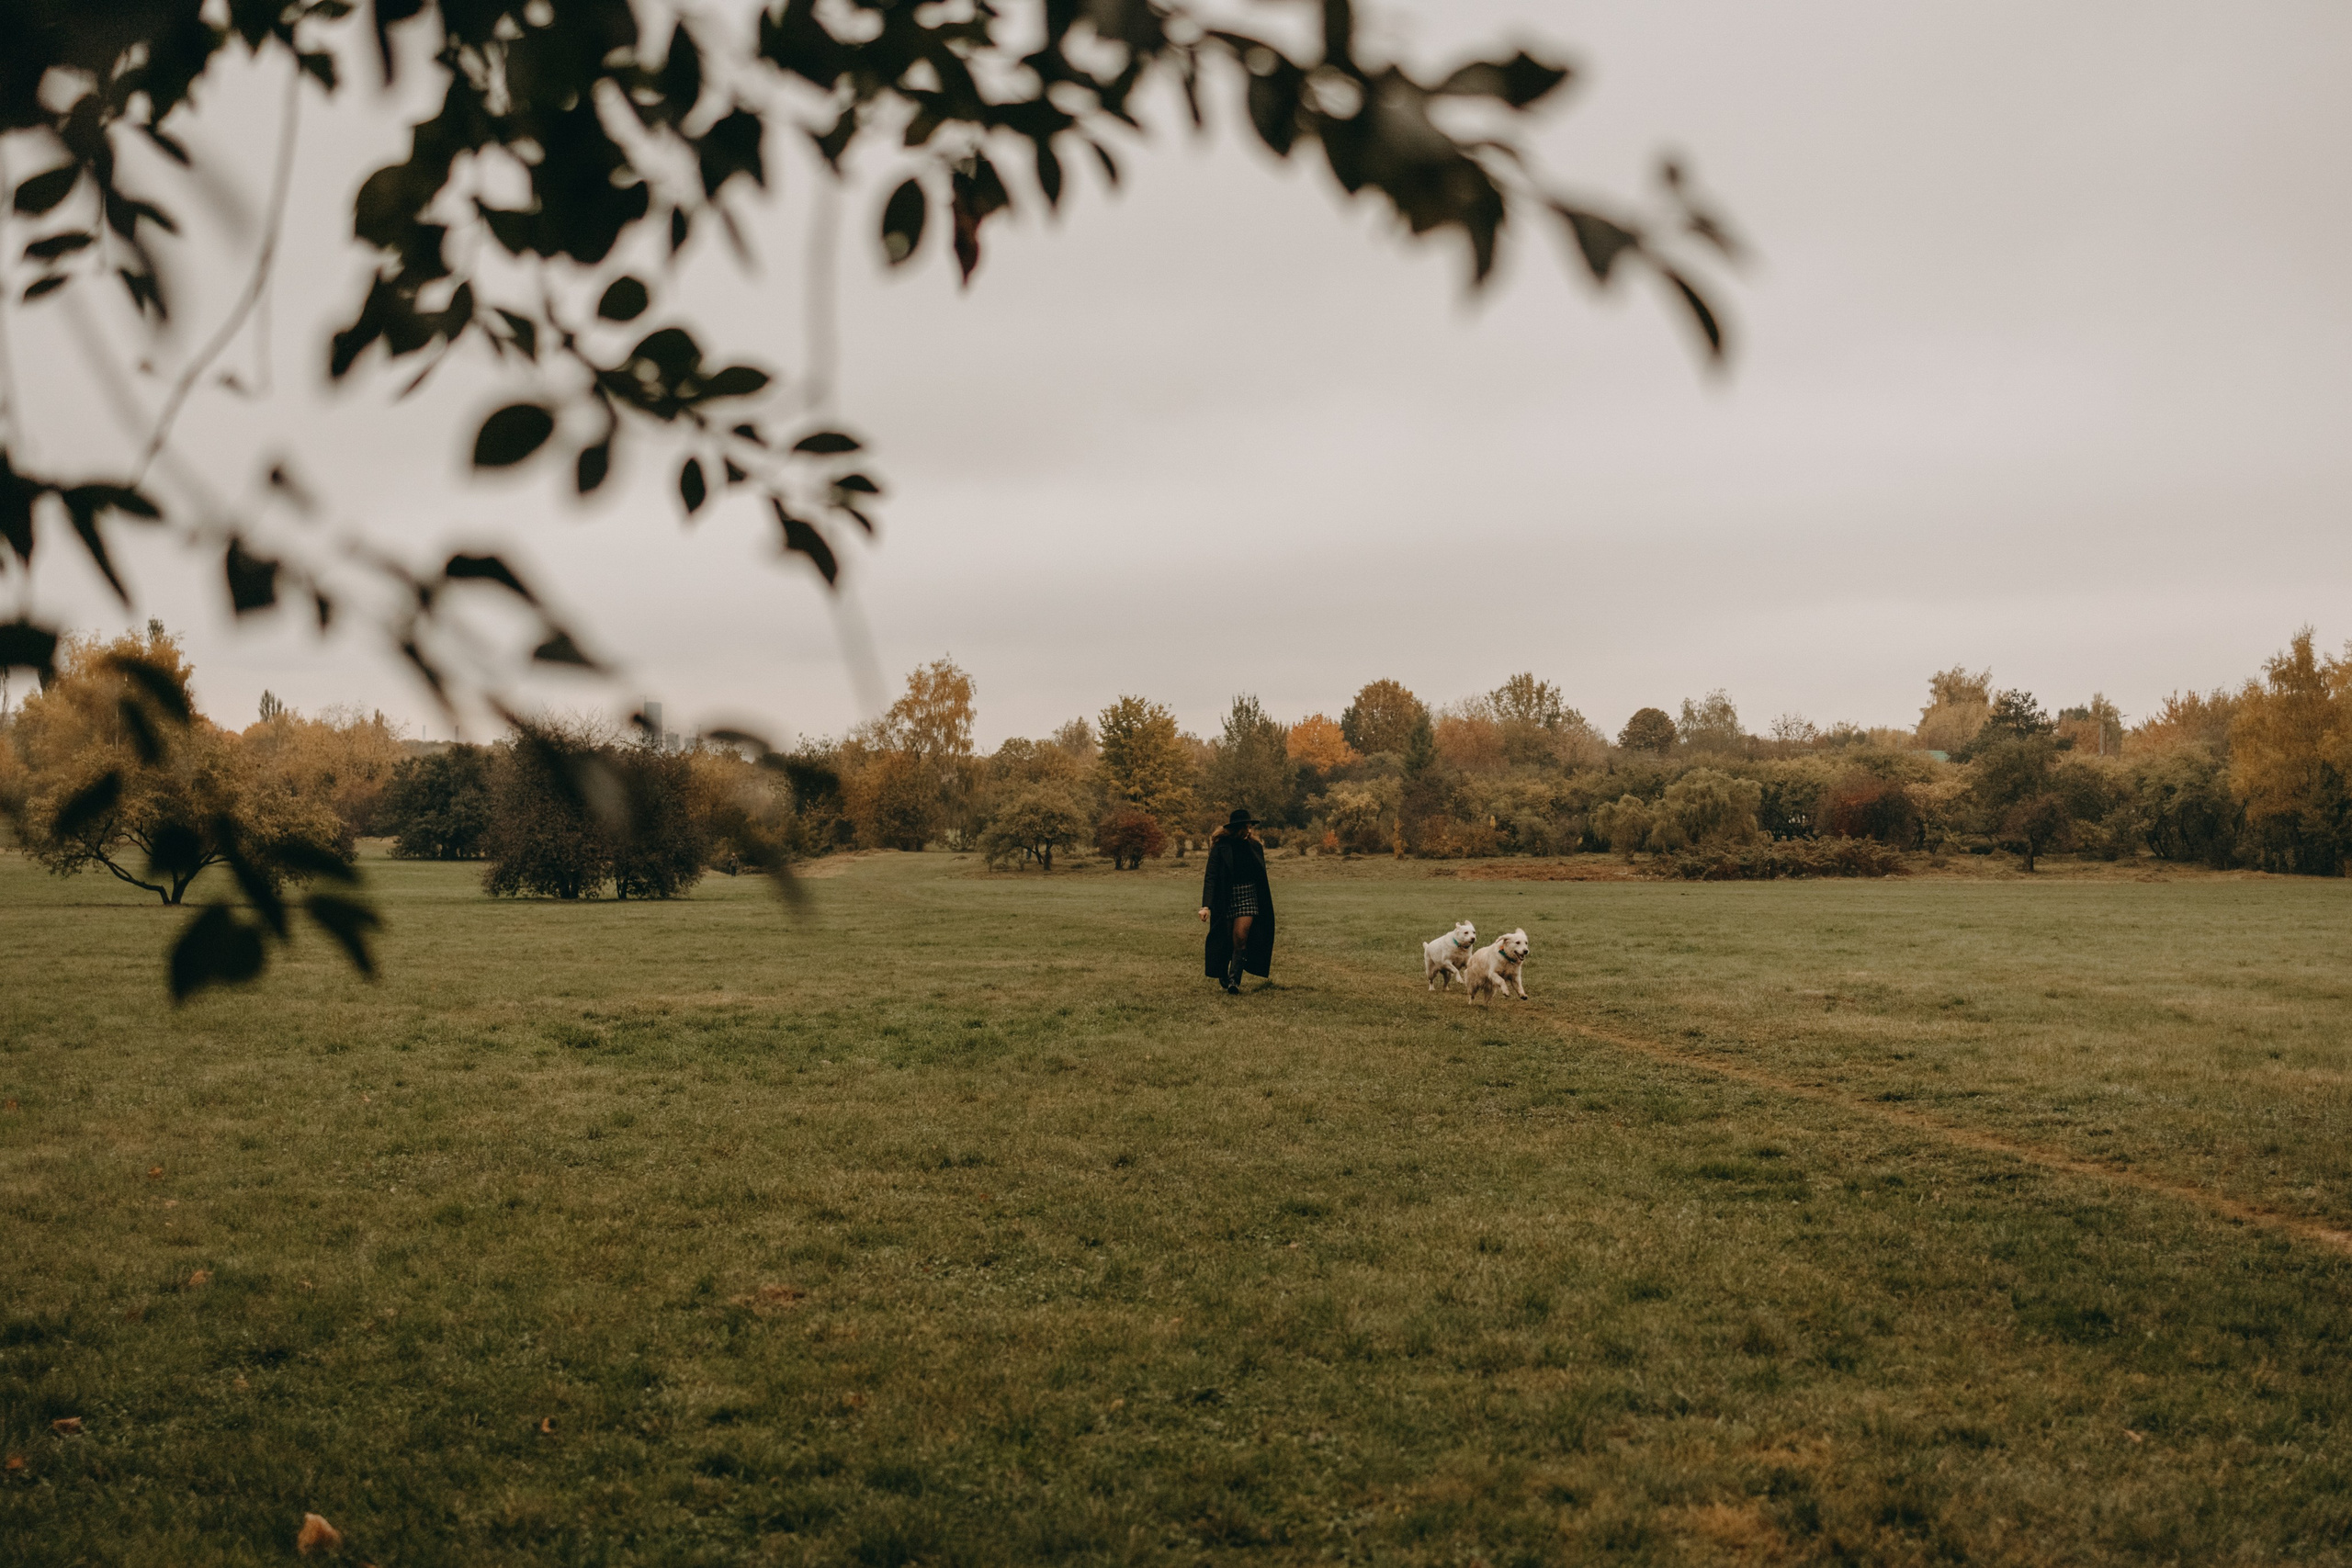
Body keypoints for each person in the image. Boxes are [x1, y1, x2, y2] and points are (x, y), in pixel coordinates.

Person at [1199, 807, 1276, 994]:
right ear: (1237, 828)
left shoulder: (1255, 847)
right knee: (1227, 938)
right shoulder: (1220, 847)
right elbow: (1211, 876)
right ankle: (1223, 973)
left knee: (1241, 936)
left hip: (1248, 896)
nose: (1249, 830)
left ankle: (1234, 980)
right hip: (1225, 897)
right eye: (1246, 827)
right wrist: (1206, 906)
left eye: (1250, 826)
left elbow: (1260, 876)